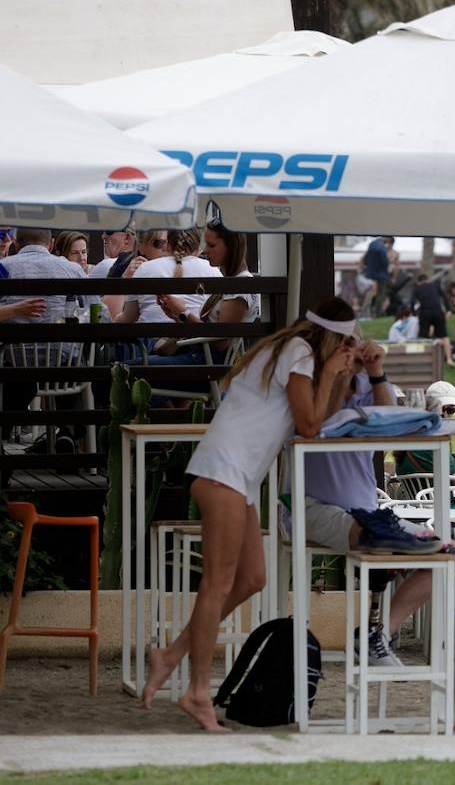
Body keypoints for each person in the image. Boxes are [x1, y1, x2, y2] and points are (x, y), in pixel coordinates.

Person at [139, 296, 361, 729]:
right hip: (224, 472)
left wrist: (340, 376)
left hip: (236, 478)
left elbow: (320, 421)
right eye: (347, 343)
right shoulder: (297, 352)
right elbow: (310, 426)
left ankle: (171, 654)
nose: (348, 350)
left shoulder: (291, 352)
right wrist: (333, 373)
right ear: (332, 337)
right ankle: (197, 692)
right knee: (217, 586)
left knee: (251, 579)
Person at [298, 339, 441, 669]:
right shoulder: (310, 386)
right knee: (380, 540)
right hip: (314, 506)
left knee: (444, 551)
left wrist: (375, 372)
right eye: (344, 349)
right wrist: (339, 374)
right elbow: (322, 425)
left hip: (367, 512)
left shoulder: (363, 383)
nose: (352, 356)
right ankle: (375, 629)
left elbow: (389, 420)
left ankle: (378, 634)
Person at [0, 229, 91, 429]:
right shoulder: (72, 270)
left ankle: (6, 428)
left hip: (16, 365)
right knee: (73, 356)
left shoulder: (3, 268)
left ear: (16, 242)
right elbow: (98, 316)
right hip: (64, 369)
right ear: (50, 244)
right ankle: (70, 429)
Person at [146, 221, 258, 364]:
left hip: (206, 362)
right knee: (129, 368)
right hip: (201, 358)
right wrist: (177, 315)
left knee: (129, 369)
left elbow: (219, 343)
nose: (204, 251)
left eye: (211, 245)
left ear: (231, 247)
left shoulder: (241, 286)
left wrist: (183, 313)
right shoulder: (234, 282)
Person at [115, 229, 220, 335]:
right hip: (195, 342)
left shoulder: (145, 268)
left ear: (168, 244)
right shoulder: (213, 270)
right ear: (197, 248)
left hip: (151, 343)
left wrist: (112, 320)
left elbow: (128, 318)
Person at [394, 380, 455, 476]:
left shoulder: (406, 439)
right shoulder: (433, 446)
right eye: (440, 415)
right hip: (442, 490)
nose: (445, 416)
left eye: (451, 409)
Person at [362, 236, 394, 318]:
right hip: (381, 274)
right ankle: (377, 313)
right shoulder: (381, 246)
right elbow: (385, 262)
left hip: (371, 274)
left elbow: (365, 258)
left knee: (372, 293)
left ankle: (369, 311)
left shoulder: (372, 244)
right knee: (381, 295)